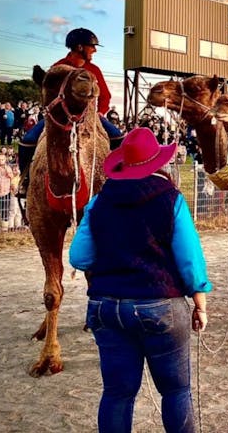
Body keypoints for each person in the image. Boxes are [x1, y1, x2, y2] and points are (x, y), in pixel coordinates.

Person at [69, 127, 212, 433]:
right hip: (160, 306)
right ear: (157, 163)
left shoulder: (99, 201)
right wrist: (200, 303)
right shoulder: (170, 198)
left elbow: (79, 257)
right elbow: (190, 261)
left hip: (106, 307)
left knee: (117, 393)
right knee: (175, 391)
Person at [18, 28, 125, 194]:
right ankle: (26, 181)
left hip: (90, 116)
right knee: (27, 141)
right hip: (61, 116)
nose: (95, 50)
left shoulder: (94, 70)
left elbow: (105, 95)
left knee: (119, 137)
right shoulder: (58, 68)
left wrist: (101, 112)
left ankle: (121, 178)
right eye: (92, 46)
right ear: (80, 47)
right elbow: (48, 92)